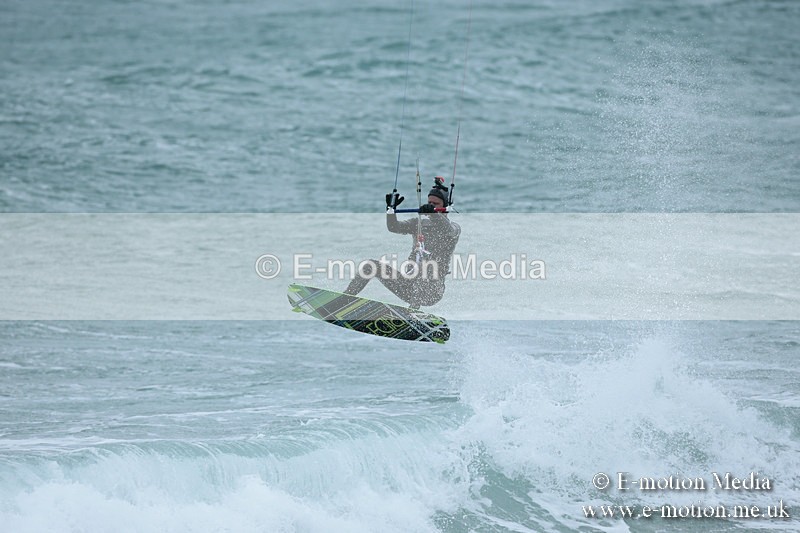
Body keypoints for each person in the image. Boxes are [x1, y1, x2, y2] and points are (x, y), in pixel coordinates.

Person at [344, 177, 461, 308]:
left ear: (445, 206)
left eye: (435, 204)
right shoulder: (418, 224)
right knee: (370, 266)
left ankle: (412, 314)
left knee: (425, 269)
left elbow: (447, 229)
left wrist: (434, 214)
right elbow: (394, 227)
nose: (432, 205)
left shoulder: (453, 228)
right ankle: (344, 300)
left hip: (433, 290)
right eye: (429, 203)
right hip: (407, 286)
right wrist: (390, 210)